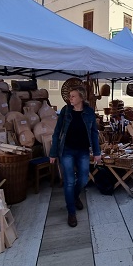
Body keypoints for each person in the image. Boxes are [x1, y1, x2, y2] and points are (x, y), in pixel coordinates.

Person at [49, 85, 101, 228]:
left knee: (84, 179)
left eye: (73, 96)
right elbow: (57, 132)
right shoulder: (65, 111)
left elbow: (94, 133)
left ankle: (74, 196)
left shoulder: (89, 112)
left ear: (81, 97)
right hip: (67, 151)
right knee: (69, 181)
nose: (70, 98)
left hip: (83, 151)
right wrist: (53, 153)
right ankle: (71, 212)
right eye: (70, 96)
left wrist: (97, 152)